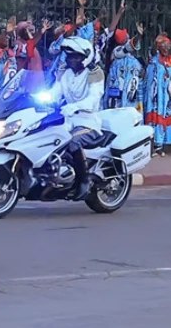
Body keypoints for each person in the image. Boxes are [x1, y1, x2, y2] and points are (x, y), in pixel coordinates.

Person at [54, 36, 105, 202]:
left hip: (88, 122)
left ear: (85, 58)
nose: (71, 60)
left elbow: (93, 98)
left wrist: (75, 107)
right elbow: (55, 92)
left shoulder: (94, 74)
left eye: (75, 57)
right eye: (69, 56)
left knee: (73, 141)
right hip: (66, 120)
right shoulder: (66, 74)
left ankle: (84, 181)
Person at [144, 34, 171, 156]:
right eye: (163, 45)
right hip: (154, 95)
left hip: (166, 95)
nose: (166, 48)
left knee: (163, 117)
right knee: (152, 118)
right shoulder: (153, 58)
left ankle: (159, 146)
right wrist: (156, 42)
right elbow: (153, 50)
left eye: (168, 46)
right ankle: (150, 146)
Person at [104, 29, 144, 112]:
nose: (128, 37)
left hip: (131, 87)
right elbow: (129, 47)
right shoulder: (117, 51)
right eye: (126, 36)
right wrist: (138, 36)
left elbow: (135, 46)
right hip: (118, 87)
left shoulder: (132, 57)